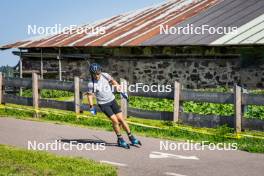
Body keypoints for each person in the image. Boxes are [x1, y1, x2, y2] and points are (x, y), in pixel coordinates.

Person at [86, 63, 141, 148]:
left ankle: (132, 138)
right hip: (103, 104)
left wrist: (120, 90)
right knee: (115, 121)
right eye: (94, 74)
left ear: (100, 71)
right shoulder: (91, 84)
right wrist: (91, 107)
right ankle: (120, 140)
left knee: (122, 120)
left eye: (98, 73)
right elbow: (89, 95)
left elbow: (113, 81)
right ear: (91, 74)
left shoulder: (105, 75)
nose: (97, 75)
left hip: (112, 100)